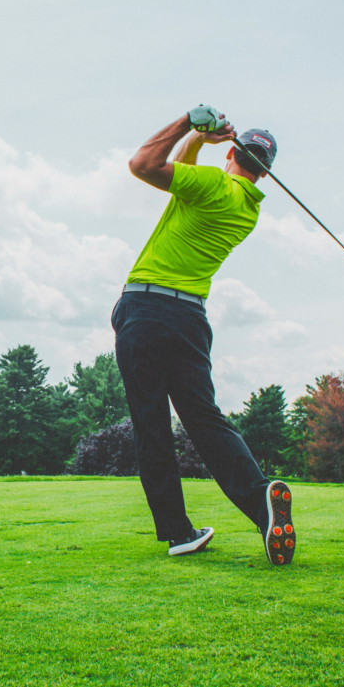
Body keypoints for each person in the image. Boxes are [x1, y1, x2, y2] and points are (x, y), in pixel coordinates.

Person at [112, 105, 296, 565]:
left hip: (147, 310)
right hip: (190, 319)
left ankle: (178, 532)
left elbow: (143, 165)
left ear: (232, 152)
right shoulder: (245, 206)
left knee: (152, 424)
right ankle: (261, 505)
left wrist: (185, 123)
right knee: (205, 420)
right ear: (266, 173)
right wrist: (198, 141)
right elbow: (184, 173)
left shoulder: (213, 185)